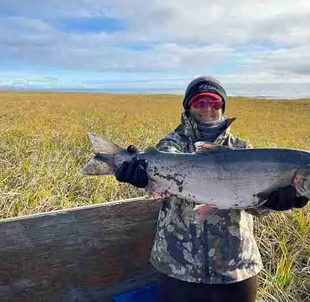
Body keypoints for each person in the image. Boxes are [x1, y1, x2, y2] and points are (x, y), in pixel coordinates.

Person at [115, 76, 309, 302]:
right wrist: (140, 173)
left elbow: (254, 207)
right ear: (188, 107)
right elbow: (163, 175)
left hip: (236, 266)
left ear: (222, 107)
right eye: (199, 102)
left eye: (215, 103)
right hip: (178, 265)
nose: (208, 108)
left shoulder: (242, 149)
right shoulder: (172, 144)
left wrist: (274, 203)